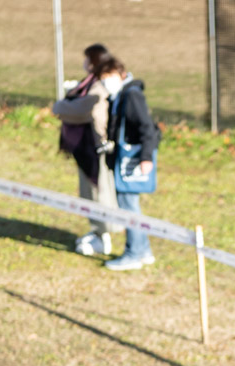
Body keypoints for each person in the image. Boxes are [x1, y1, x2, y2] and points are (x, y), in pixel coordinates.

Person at [52, 44, 123, 257]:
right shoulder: (90, 83)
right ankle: (98, 233)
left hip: (94, 149)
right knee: (89, 192)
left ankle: (103, 235)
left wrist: (60, 107)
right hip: (85, 147)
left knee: (97, 193)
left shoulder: (99, 86)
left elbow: (89, 111)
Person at [102, 61, 161, 272]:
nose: (105, 82)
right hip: (123, 158)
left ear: (120, 74)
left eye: (108, 76)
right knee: (130, 205)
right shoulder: (121, 94)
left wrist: (146, 157)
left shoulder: (132, 95)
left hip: (132, 161)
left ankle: (134, 253)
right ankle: (143, 250)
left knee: (129, 208)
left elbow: (147, 128)